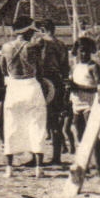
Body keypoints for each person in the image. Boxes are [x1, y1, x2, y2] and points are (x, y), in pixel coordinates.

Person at [0, 15, 50, 176]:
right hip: (31, 85)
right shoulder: (33, 47)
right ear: (27, 31)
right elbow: (40, 70)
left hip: (13, 86)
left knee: (11, 126)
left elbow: (3, 69)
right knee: (37, 125)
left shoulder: (6, 47)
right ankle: (39, 168)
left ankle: (9, 168)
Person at [31, 19, 71, 165]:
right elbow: (65, 68)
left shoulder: (40, 43)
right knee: (55, 123)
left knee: (36, 121)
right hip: (57, 82)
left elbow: (35, 62)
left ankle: (36, 158)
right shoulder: (61, 44)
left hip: (43, 81)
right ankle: (56, 157)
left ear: (42, 29)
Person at [68, 36, 100, 176]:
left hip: (90, 103)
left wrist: (78, 87)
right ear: (76, 51)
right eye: (81, 51)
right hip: (76, 103)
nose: (83, 54)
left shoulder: (93, 67)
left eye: (86, 51)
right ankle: (85, 164)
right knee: (80, 135)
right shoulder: (75, 66)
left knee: (93, 135)